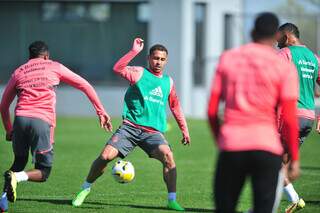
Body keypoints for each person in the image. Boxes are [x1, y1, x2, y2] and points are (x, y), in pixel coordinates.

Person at [72, 38, 190, 211]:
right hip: (130, 127)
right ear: (149, 58)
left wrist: (184, 129)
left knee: (169, 158)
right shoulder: (139, 73)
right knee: (105, 157)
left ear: (166, 61)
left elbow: (175, 107)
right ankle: (85, 189)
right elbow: (117, 68)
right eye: (155, 58)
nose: (158, 62)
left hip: (153, 133)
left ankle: (171, 200)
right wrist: (133, 52)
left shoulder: (168, 82)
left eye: (162, 59)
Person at [0, 41, 112, 212]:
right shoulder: (54, 66)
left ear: (29, 56)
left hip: (20, 119)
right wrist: (100, 111)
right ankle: (16, 177)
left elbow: (3, 105)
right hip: (41, 122)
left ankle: (2, 202)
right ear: (46, 56)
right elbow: (84, 85)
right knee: (43, 172)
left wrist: (9, 129)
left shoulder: (19, 71)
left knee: (19, 161)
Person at [207, 13, 300, 213]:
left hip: (232, 145)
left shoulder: (229, 58)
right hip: (267, 148)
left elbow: (212, 109)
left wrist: (220, 139)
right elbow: (291, 118)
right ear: (276, 36)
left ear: (252, 32)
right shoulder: (284, 67)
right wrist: (295, 158)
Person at [277, 22, 320, 213]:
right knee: (281, 165)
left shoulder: (285, 54)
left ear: (286, 37)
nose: (276, 43)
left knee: (272, 163)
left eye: (278, 38)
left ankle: (294, 199)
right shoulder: (314, 58)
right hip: (307, 119)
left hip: (289, 117)